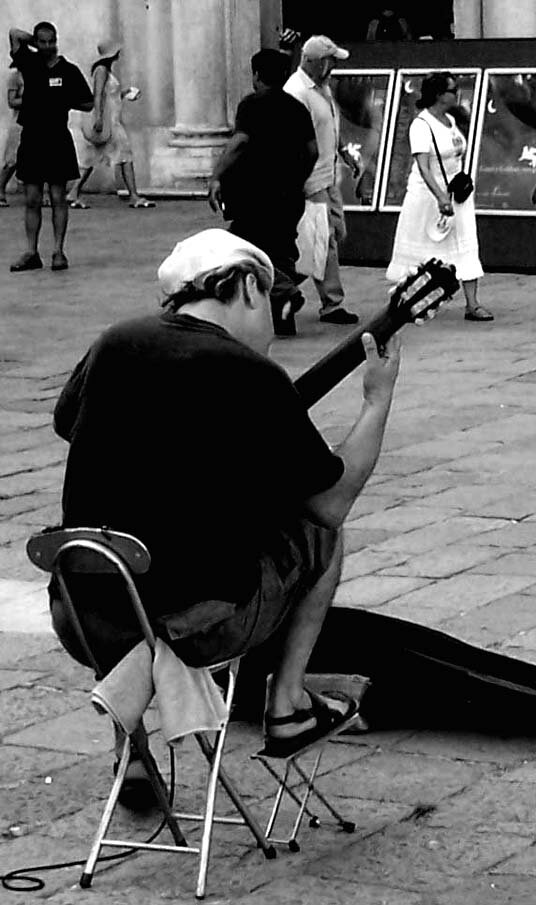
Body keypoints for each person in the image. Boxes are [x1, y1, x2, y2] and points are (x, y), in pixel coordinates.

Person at [49, 229, 407, 773]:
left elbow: (66, 423)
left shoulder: (113, 342)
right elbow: (330, 503)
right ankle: (286, 705)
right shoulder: (248, 371)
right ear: (244, 287)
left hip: (81, 616)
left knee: (121, 543)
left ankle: (134, 742)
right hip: (198, 624)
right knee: (321, 537)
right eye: (271, 299)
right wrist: (376, 399)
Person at [209, 49, 318, 337]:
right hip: (288, 193)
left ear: (256, 75)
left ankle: (284, 289)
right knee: (281, 250)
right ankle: (280, 320)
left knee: (242, 245)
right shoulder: (296, 107)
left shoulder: (251, 105)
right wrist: (298, 177)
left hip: (254, 192)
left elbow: (239, 142)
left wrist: (216, 176)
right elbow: (312, 151)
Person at [386, 71, 493, 322]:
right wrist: (439, 197)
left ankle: (472, 303)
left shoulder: (449, 120)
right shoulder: (421, 125)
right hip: (428, 196)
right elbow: (423, 167)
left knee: (466, 242)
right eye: (452, 90)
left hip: (457, 193)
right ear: (438, 95)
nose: (456, 94)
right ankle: (406, 301)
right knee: (420, 250)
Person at [283, 35, 360, 325]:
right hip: (312, 178)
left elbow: (327, 126)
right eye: (330, 61)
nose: (333, 68)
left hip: (329, 174)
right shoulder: (297, 91)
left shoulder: (322, 89)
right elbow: (297, 139)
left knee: (332, 234)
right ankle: (328, 301)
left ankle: (284, 287)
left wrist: (343, 151)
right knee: (321, 240)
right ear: (314, 62)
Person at [8, 22, 93, 272]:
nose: (47, 46)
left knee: (58, 197)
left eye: (51, 41)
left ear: (57, 40)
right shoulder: (30, 63)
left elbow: (87, 103)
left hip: (57, 138)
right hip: (32, 138)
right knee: (32, 198)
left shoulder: (69, 70)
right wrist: (35, 44)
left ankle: (58, 251)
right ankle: (31, 252)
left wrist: (64, 100)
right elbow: (14, 34)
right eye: (42, 41)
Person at [67, 39, 154, 210]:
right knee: (125, 156)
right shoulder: (101, 71)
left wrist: (124, 94)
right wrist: (99, 118)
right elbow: (98, 95)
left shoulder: (104, 70)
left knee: (92, 158)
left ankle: (74, 191)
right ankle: (134, 195)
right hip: (110, 122)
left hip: (110, 120)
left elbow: (108, 96)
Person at [0, 65, 23, 206]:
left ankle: (37, 195)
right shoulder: (16, 77)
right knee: (13, 160)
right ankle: (0, 189)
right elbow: (12, 101)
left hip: (39, 122)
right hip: (20, 123)